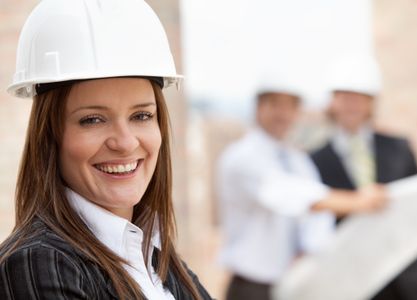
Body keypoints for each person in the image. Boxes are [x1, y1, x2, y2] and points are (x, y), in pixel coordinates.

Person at [0, 1, 212, 299]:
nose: (125, 142)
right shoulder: (40, 264)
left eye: (141, 116)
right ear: (50, 136)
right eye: (93, 120)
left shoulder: (153, 256)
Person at [216, 81, 387, 300]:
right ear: (259, 107)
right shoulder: (241, 157)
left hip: (292, 285)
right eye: (275, 104)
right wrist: (359, 201)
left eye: (291, 106)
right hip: (252, 287)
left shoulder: (297, 160)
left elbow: (316, 217)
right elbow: (291, 196)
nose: (284, 114)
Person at [310, 55, 417, 300]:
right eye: (345, 97)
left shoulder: (399, 148)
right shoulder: (315, 161)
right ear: (333, 101)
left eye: (360, 98)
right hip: (350, 281)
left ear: (371, 103)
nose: (352, 105)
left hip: (405, 277)